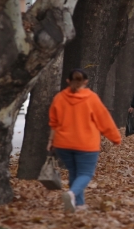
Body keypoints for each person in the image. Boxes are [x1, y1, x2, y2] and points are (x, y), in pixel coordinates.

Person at [48, 69, 122, 213]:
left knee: (74, 172)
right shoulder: (91, 98)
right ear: (86, 82)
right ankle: (72, 193)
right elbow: (104, 120)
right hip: (86, 144)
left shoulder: (59, 98)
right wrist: (115, 138)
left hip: (63, 143)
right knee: (86, 173)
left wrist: (50, 140)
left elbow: (54, 123)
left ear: (68, 81)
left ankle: (79, 205)